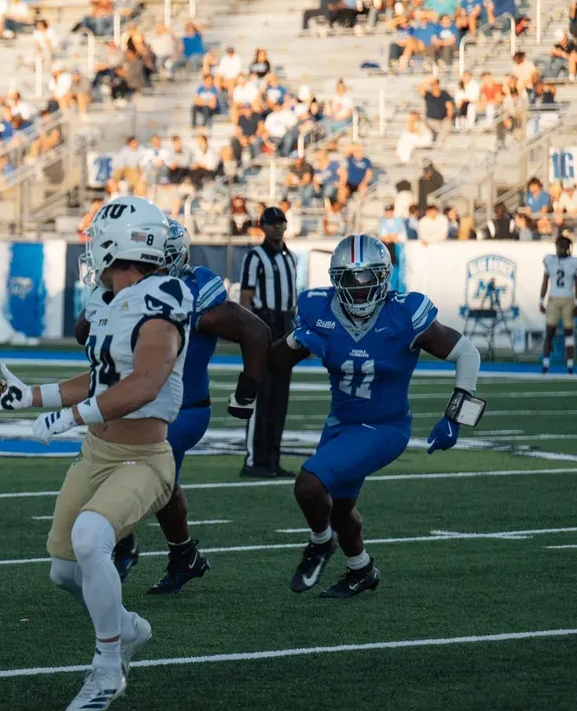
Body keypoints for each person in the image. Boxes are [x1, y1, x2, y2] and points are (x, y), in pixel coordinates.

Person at [0, 196, 188, 711]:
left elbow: (143, 384)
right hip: (98, 452)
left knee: (92, 537)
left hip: (144, 458)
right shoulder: (111, 299)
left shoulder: (162, 301)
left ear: (121, 245)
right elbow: (102, 379)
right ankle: (128, 628)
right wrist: (33, 397)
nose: (93, 251)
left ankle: (108, 667)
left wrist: (72, 417)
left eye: (99, 241)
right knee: (65, 572)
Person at [271, 234, 484, 596]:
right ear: (334, 280)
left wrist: (455, 416)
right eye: (348, 282)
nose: (357, 291)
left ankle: (320, 544)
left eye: (366, 281)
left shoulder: (404, 313)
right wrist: (294, 342)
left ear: (383, 277)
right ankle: (362, 570)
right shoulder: (318, 310)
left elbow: (467, 353)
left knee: (309, 482)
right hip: (340, 424)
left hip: (385, 427)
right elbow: (275, 361)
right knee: (339, 509)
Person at [96, 221, 270, 593]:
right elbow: (85, 330)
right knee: (162, 483)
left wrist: (247, 390)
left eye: (151, 259)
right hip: (135, 404)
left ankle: (120, 544)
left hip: (182, 409)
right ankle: (184, 556)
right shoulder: (130, 289)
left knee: (135, 471)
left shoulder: (193, 295)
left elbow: (255, 331)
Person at [237, 206, 298, 479]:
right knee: (261, 395)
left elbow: (292, 300)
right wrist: (250, 333)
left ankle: (272, 459)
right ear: (262, 226)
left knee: (279, 398)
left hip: (285, 328)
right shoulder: (255, 257)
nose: (277, 227)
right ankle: (253, 461)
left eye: (280, 222)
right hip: (264, 325)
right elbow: (246, 298)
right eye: (272, 223)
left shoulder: (291, 258)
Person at [539, 234, 577, 375]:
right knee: (549, 332)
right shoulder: (550, 260)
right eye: (559, 246)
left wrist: (576, 303)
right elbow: (545, 280)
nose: (561, 248)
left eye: (564, 246)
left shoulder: (573, 262)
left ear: (569, 248)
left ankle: (570, 365)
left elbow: (576, 284)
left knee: (569, 333)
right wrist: (540, 300)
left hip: (568, 299)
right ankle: (546, 364)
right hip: (553, 299)